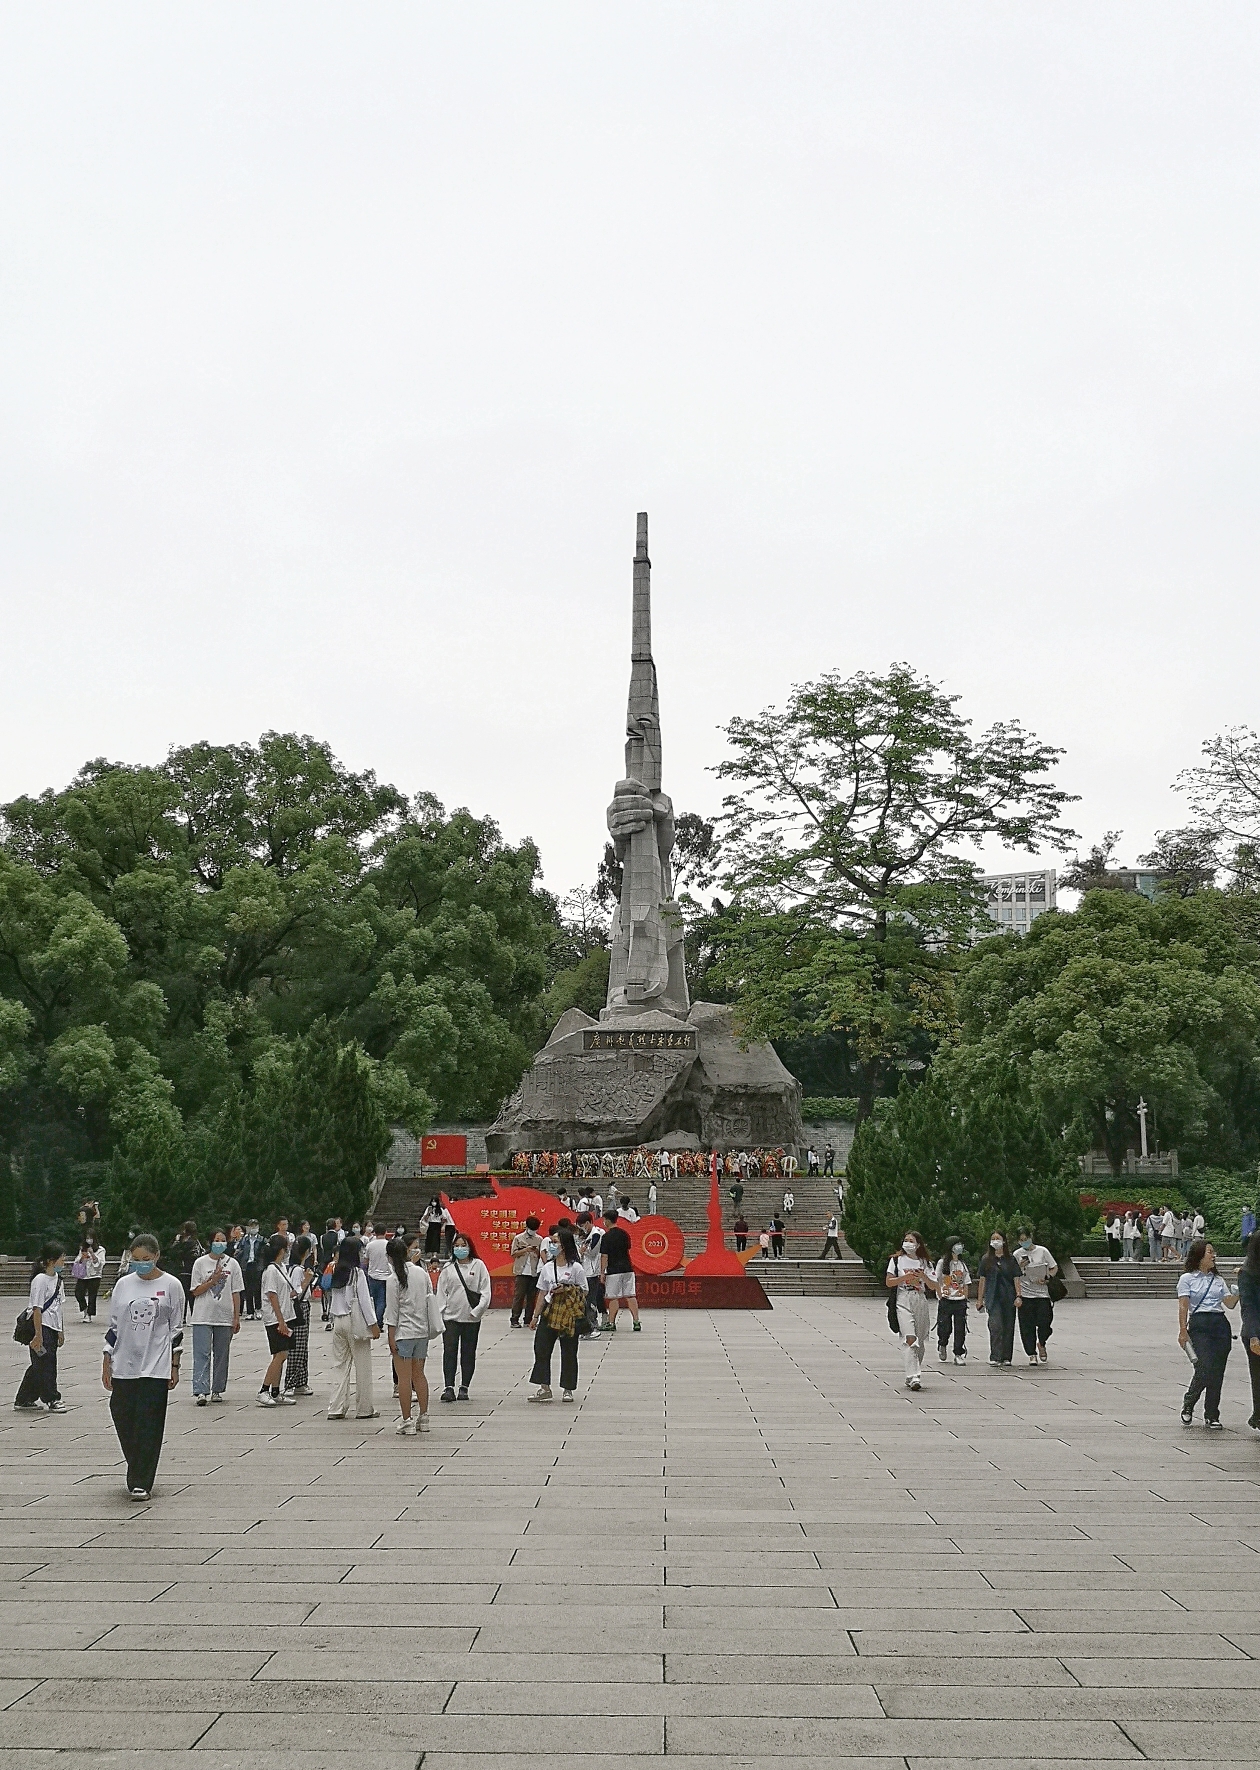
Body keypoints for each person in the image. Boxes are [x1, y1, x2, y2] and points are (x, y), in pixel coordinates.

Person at [102, 1234, 185, 1499]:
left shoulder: (171, 1285)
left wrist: (175, 1364)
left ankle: (141, 1480)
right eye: (136, 1260)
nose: (141, 1265)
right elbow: (114, 1326)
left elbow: (176, 1329)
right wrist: (107, 1359)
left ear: (157, 1256)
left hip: (155, 1365)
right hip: (126, 1362)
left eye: (146, 1260)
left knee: (148, 1423)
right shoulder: (124, 1285)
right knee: (122, 1413)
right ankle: (136, 1462)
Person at [1178, 1240, 1240, 1428]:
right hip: (1200, 1324)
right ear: (1199, 1255)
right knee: (1204, 1367)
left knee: (1218, 1371)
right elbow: (1183, 1305)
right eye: (1209, 1252)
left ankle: (1212, 1414)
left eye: (1213, 1252)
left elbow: (1229, 1304)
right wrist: (1182, 1330)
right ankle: (1189, 1403)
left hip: (1220, 1325)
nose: (1213, 1256)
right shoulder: (1187, 1279)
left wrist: (1238, 1290)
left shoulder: (1218, 1280)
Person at [528, 1227, 589, 1403]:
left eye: (555, 1242)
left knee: (569, 1351)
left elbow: (584, 1291)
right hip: (550, 1311)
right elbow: (541, 1293)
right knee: (541, 1348)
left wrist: (567, 1289)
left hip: (568, 1314)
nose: (552, 1245)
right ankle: (544, 1387)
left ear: (564, 1245)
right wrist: (535, 1316)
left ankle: (567, 1389)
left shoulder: (576, 1267)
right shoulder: (547, 1268)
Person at [326, 1236, 380, 1419]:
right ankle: (364, 1408)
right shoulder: (357, 1273)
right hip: (354, 1321)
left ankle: (336, 1407)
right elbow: (364, 1302)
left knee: (339, 1365)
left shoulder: (337, 1271)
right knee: (362, 1366)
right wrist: (373, 1325)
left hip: (338, 1321)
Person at [385, 1235, 434, 1435]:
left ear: (389, 1257)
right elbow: (430, 1297)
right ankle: (424, 1417)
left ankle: (407, 1420)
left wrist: (390, 1336)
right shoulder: (421, 1273)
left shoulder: (393, 1279)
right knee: (419, 1375)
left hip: (403, 1332)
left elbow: (392, 1311)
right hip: (421, 1332)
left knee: (404, 1379)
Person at [189, 1228, 244, 1404]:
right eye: (216, 1240)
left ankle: (217, 1389)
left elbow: (236, 1292)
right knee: (202, 1353)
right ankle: (200, 1390)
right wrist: (212, 1280)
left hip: (224, 1315)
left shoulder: (233, 1264)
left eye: (222, 1240)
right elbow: (195, 1291)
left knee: (221, 1354)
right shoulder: (200, 1263)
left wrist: (236, 1316)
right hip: (202, 1316)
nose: (219, 1243)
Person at [437, 1232, 491, 1401]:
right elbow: (441, 1293)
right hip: (451, 1318)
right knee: (450, 1351)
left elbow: (486, 1292)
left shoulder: (479, 1265)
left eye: (463, 1245)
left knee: (468, 1352)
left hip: (471, 1318)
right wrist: (440, 1315)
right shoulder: (448, 1268)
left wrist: (477, 1311)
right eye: (457, 1246)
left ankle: (464, 1387)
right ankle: (448, 1387)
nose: (460, 1249)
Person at [14, 1243, 67, 1413]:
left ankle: (24, 1398)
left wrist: (60, 1331)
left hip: (51, 1327)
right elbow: (37, 1309)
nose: (64, 1261)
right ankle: (52, 1398)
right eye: (61, 1258)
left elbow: (58, 1308)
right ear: (51, 1261)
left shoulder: (58, 1280)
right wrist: (38, 1335)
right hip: (40, 1326)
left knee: (40, 1364)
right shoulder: (40, 1280)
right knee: (47, 1364)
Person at [886, 1231, 935, 1391]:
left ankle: (913, 1369)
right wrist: (903, 1278)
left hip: (919, 1300)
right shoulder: (896, 1261)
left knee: (919, 1341)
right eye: (905, 1240)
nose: (908, 1243)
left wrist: (923, 1277)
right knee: (910, 1338)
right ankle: (914, 1375)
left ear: (918, 1244)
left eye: (911, 1241)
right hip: (903, 1300)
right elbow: (889, 1282)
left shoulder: (925, 1263)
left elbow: (934, 1286)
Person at [256, 1234, 298, 1406]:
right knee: (280, 1354)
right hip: (275, 1318)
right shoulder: (272, 1270)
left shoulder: (281, 1268)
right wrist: (280, 1320)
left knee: (282, 1354)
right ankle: (264, 1390)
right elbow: (272, 1295)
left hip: (285, 1315)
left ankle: (275, 1390)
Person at [1014, 1228, 1058, 1366]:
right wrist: (1020, 1267)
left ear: (1030, 1237)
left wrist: (1047, 1277)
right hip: (1026, 1294)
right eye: (1021, 1240)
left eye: (1025, 1239)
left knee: (1045, 1322)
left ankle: (1042, 1342)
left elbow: (1054, 1267)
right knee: (1027, 1326)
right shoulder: (1017, 1254)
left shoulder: (1042, 1251)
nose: (1024, 1242)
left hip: (1042, 1294)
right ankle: (1031, 1353)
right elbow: (1013, 1275)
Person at [976, 1230, 1022, 1367]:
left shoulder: (1011, 1259)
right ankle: (995, 1355)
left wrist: (1018, 1295)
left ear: (1004, 1241)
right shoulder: (986, 1259)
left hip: (1008, 1296)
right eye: (993, 1238)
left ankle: (1006, 1356)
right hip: (993, 1296)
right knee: (995, 1326)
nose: (995, 1241)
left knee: (1008, 1326)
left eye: (998, 1238)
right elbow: (982, 1280)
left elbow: (1016, 1278)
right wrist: (980, 1299)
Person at [283, 1234, 318, 1397]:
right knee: (297, 1346)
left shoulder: (295, 1268)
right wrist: (307, 1280)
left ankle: (301, 1381)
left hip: (303, 1306)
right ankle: (291, 1381)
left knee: (302, 1346)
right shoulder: (297, 1270)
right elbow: (295, 1293)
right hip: (298, 1307)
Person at [600, 1209, 640, 1332]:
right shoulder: (624, 1234)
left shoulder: (606, 1237)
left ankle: (611, 1323)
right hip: (628, 1268)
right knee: (630, 1295)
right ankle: (636, 1321)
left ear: (607, 1220)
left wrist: (602, 1272)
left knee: (613, 1297)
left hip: (613, 1270)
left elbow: (604, 1256)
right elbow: (628, 1248)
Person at [1237, 1231, 1260, 1433]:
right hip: (1256, 1333)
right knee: (1258, 1376)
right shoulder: (1247, 1273)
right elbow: (1248, 1307)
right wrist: (1254, 1335)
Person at [935, 1239, 971, 1364]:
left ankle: (958, 1353)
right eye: (957, 1244)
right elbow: (936, 1280)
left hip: (960, 1300)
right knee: (945, 1326)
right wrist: (940, 1295)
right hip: (946, 1299)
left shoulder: (962, 1264)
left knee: (960, 1328)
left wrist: (965, 1298)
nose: (959, 1247)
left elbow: (966, 1282)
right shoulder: (942, 1263)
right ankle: (942, 1343)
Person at [510, 1216, 543, 1329]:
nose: (533, 1231)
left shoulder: (539, 1239)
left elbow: (542, 1255)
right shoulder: (519, 1238)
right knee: (519, 1296)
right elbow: (513, 1254)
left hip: (534, 1272)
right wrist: (525, 1249)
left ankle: (528, 1320)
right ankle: (514, 1319)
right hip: (521, 1271)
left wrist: (536, 1250)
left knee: (532, 1297)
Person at [166, 1221, 203, 1312]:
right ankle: (192, 1313)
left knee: (186, 1294)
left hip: (186, 1270)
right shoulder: (196, 1241)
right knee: (190, 1294)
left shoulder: (187, 1243)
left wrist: (177, 1241)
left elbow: (173, 1253)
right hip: (193, 1269)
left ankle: (185, 1315)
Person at [577, 1213, 606, 1330]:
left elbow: (593, 1252)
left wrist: (583, 1250)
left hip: (593, 1271)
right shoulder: (587, 1235)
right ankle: (588, 1322)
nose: (581, 1228)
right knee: (585, 1299)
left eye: (582, 1225)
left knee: (591, 1299)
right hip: (585, 1270)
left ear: (588, 1223)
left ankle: (593, 1323)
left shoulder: (596, 1234)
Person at [236, 1220, 266, 1319]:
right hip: (246, 1265)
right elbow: (239, 1251)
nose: (253, 1228)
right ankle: (250, 1311)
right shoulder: (244, 1240)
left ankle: (258, 1309)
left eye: (255, 1226)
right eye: (251, 1226)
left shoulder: (261, 1240)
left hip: (257, 1265)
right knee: (247, 1289)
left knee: (257, 1288)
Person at [75, 1233, 107, 1323]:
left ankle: (89, 1315)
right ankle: (84, 1309)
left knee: (92, 1296)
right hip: (83, 1275)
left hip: (95, 1275)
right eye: (87, 1238)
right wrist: (82, 1257)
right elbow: (77, 1261)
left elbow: (101, 1263)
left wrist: (93, 1254)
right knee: (78, 1293)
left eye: (90, 1238)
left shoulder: (100, 1250)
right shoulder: (82, 1249)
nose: (89, 1240)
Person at [364, 1226, 391, 1328]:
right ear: (385, 1232)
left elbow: (366, 1260)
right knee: (382, 1300)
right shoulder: (388, 1244)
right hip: (386, 1276)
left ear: (374, 1232)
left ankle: (374, 1320)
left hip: (373, 1275)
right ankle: (379, 1321)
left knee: (373, 1299)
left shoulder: (370, 1245)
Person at [319, 1219, 340, 1329]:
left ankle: (325, 1310)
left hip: (325, 1263)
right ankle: (332, 1310)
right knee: (334, 1289)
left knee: (325, 1288)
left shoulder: (322, 1237)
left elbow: (323, 1249)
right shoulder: (338, 1236)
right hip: (334, 1263)